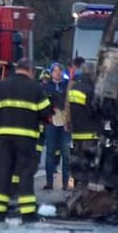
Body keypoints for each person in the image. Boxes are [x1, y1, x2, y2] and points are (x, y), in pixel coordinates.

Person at [0, 59, 52, 223]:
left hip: (4, 137)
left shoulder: (0, 87)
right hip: (26, 137)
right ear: (30, 71)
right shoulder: (36, 88)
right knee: (25, 174)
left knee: (4, 173)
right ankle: (27, 213)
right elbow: (46, 113)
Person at [67, 63, 100, 188]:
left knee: (77, 160)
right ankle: (85, 187)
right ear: (92, 74)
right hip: (89, 133)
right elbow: (92, 111)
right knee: (88, 162)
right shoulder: (91, 90)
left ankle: (76, 185)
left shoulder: (74, 88)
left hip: (76, 132)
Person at [42, 62, 71, 190]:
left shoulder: (67, 86)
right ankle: (49, 182)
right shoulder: (46, 87)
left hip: (65, 122)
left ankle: (65, 183)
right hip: (51, 122)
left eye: (60, 71)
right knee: (50, 152)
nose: (57, 73)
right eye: (55, 71)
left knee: (66, 153)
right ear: (51, 73)